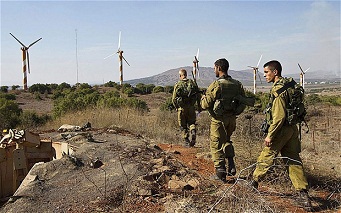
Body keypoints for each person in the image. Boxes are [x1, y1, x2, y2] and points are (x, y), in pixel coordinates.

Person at [250, 60, 312, 210]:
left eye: (266, 72)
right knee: (293, 160)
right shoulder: (290, 85)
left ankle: (253, 183)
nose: (264, 75)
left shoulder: (278, 91)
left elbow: (278, 117)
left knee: (267, 155)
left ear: (275, 72)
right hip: (292, 129)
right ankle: (303, 195)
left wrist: (270, 135)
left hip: (281, 130)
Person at [200, 58, 246, 182]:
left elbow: (205, 105)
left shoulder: (216, 85)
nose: (214, 70)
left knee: (216, 144)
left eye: (214, 68)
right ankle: (230, 163)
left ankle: (220, 172)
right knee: (227, 140)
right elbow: (243, 101)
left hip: (218, 120)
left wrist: (203, 98)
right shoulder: (237, 84)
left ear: (219, 68)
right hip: (232, 119)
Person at [172, 69, 201, 147]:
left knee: (183, 126)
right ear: (186, 74)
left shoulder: (178, 84)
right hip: (191, 107)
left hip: (182, 108)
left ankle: (186, 141)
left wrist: (176, 107)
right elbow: (198, 95)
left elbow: (174, 99)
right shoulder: (192, 83)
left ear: (180, 75)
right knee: (192, 123)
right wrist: (199, 106)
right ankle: (193, 130)